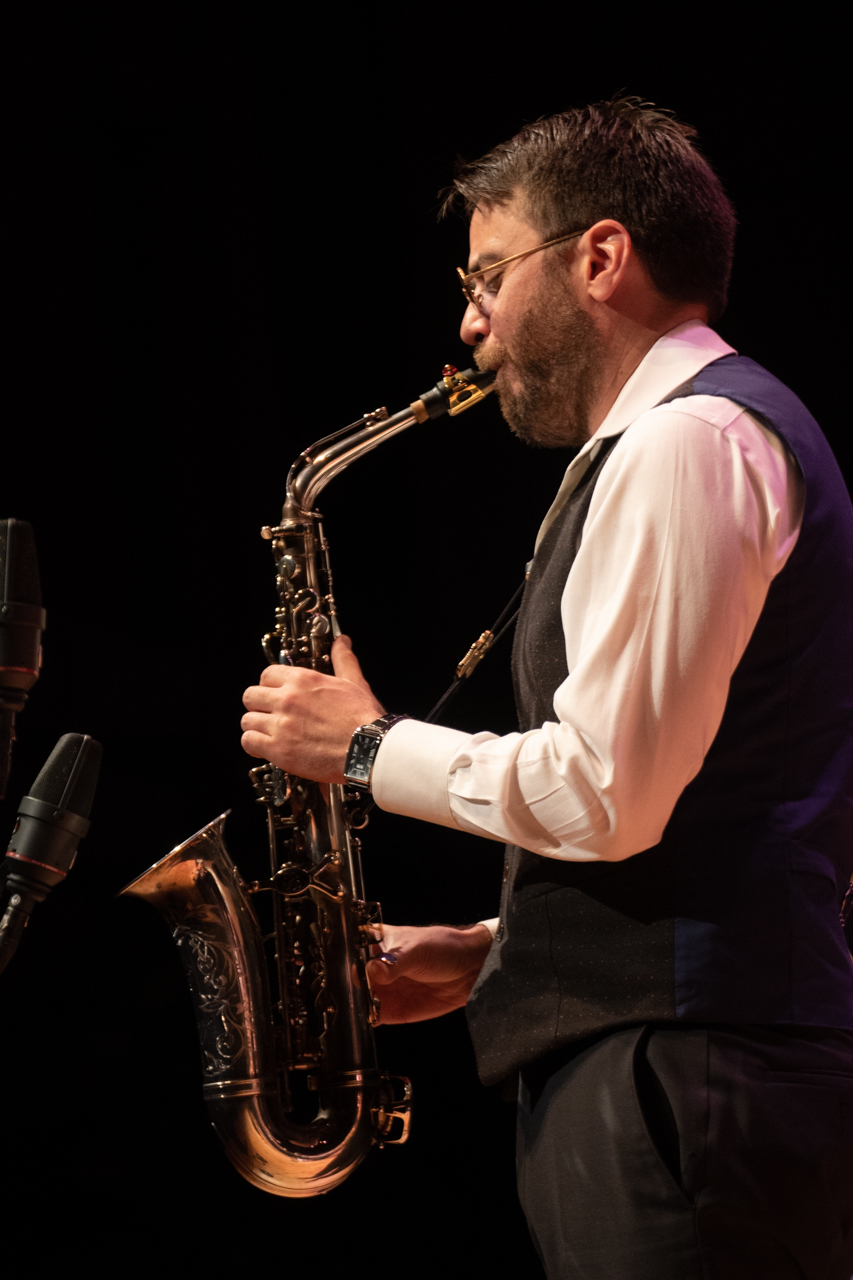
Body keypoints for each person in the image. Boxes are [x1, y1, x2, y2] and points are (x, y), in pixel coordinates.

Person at [240, 99, 853, 1279]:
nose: (468, 324)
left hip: (682, 1075)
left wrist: (364, 746)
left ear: (600, 257)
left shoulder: (685, 443)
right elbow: (705, 808)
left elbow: (606, 791)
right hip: (682, 1061)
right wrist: (500, 948)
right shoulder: (679, 442)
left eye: (487, 277)